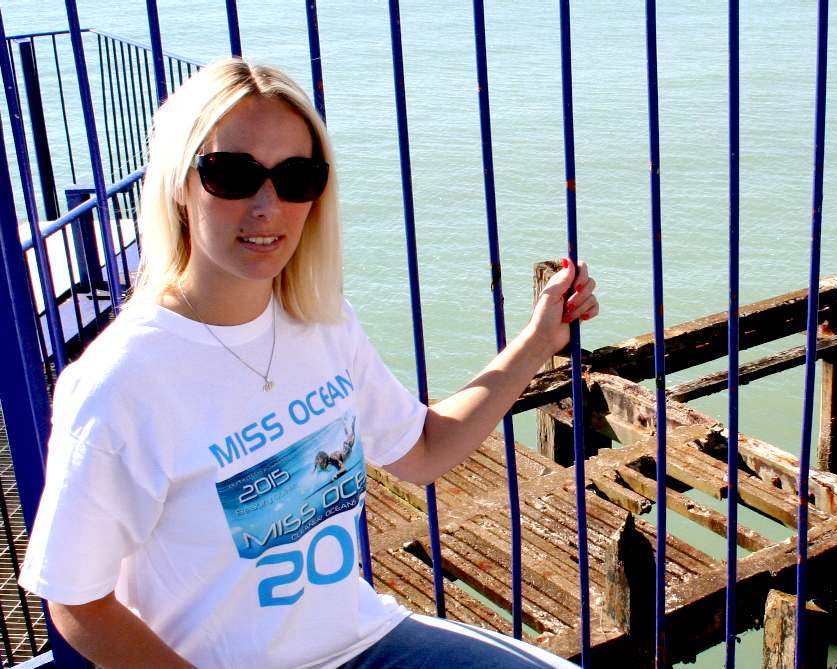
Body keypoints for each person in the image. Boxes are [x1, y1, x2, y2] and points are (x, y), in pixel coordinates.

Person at [18, 58, 599, 669]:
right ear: (179, 185)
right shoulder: (120, 382)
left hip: (365, 642)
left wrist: (539, 342)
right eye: (232, 174)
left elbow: (423, 449)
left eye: (296, 177)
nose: (268, 206)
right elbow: (77, 602)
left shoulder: (321, 321)